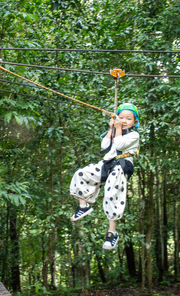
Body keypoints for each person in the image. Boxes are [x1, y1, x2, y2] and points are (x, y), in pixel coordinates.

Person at [69, 103, 140, 250]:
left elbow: (120, 145)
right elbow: (104, 145)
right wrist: (111, 129)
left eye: (128, 118)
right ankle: (83, 206)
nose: (124, 121)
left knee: (111, 193)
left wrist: (118, 128)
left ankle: (112, 233)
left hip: (122, 165)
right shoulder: (116, 131)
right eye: (121, 118)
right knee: (81, 174)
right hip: (107, 163)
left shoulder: (134, 135)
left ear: (135, 122)